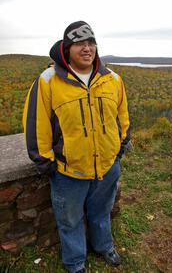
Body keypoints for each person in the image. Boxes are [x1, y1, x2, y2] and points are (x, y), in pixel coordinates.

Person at [23, 21, 131, 273]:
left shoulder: (112, 79)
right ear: (67, 47)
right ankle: (75, 262)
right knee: (70, 221)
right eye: (80, 43)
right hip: (68, 171)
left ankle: (104, 246)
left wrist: (120, 147)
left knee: (102, 212)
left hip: (107, 166)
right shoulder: (48, 81)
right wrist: (46, 162)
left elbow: (122, 116)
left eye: (91, 42)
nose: (87, 48)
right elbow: (36, 124)